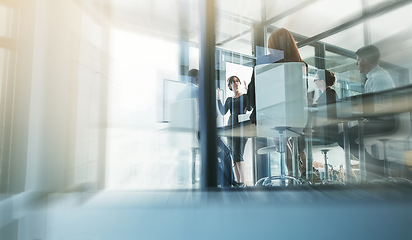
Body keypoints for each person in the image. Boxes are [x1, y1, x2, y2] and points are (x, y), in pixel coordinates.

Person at [247, 28, 307, 180]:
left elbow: (252, 93)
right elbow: (303, 94)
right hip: (297, 118)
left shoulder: (264, 62)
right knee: (288, 136)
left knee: (279, 136)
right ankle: (302, 171)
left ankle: (292, 174)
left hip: (272, 117)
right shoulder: (301, 64)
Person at [337, 45, 396, 179]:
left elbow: (380, 107)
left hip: (384, 123)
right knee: (347, 136)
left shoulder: (378, 78)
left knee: (343, 137)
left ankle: (375, 166)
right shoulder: (375, 76)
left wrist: (360, 113)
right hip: (381, 121)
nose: (356, 63)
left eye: (358, 59)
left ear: (365, 61)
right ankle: (376, 166)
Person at [298, 69, 338, 178]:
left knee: (297, 141)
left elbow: (325, 113)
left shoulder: (330, 94)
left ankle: (308, 170)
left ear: (322, 81)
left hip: (328, 133)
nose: (314, 82)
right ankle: (307, 169)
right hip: (324, 131)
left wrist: (311, 106)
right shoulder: (325, 95)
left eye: (316, 79)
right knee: (297, 140)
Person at [217, 76, 251, 186]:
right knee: (233, 155)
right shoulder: (229, 99)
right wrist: (218, 99)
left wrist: (248, 92)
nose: (235, 83)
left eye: (237, 81)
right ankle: (238, 183)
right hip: (230, 127)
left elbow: (250, 108)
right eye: (232, 82)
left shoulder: (245, 97)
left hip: (241, 127)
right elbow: (223, 112)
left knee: (239, 154)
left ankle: (243, 182)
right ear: (229, 86)